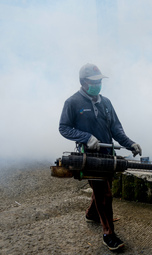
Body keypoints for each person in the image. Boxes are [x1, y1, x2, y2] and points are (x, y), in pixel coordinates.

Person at [59, 63, 142, 251]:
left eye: (100, 81)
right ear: (83, 82)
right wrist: (86, 137)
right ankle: (108, 234)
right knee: (104, 193)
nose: (98, 84)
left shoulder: (106, 103)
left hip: (107, 154)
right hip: (89, 157)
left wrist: (130, 143)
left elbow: (116, 128)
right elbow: (64, 127)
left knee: (103, 190)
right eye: (94, 81)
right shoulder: (72, 103)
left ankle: (92, 214)